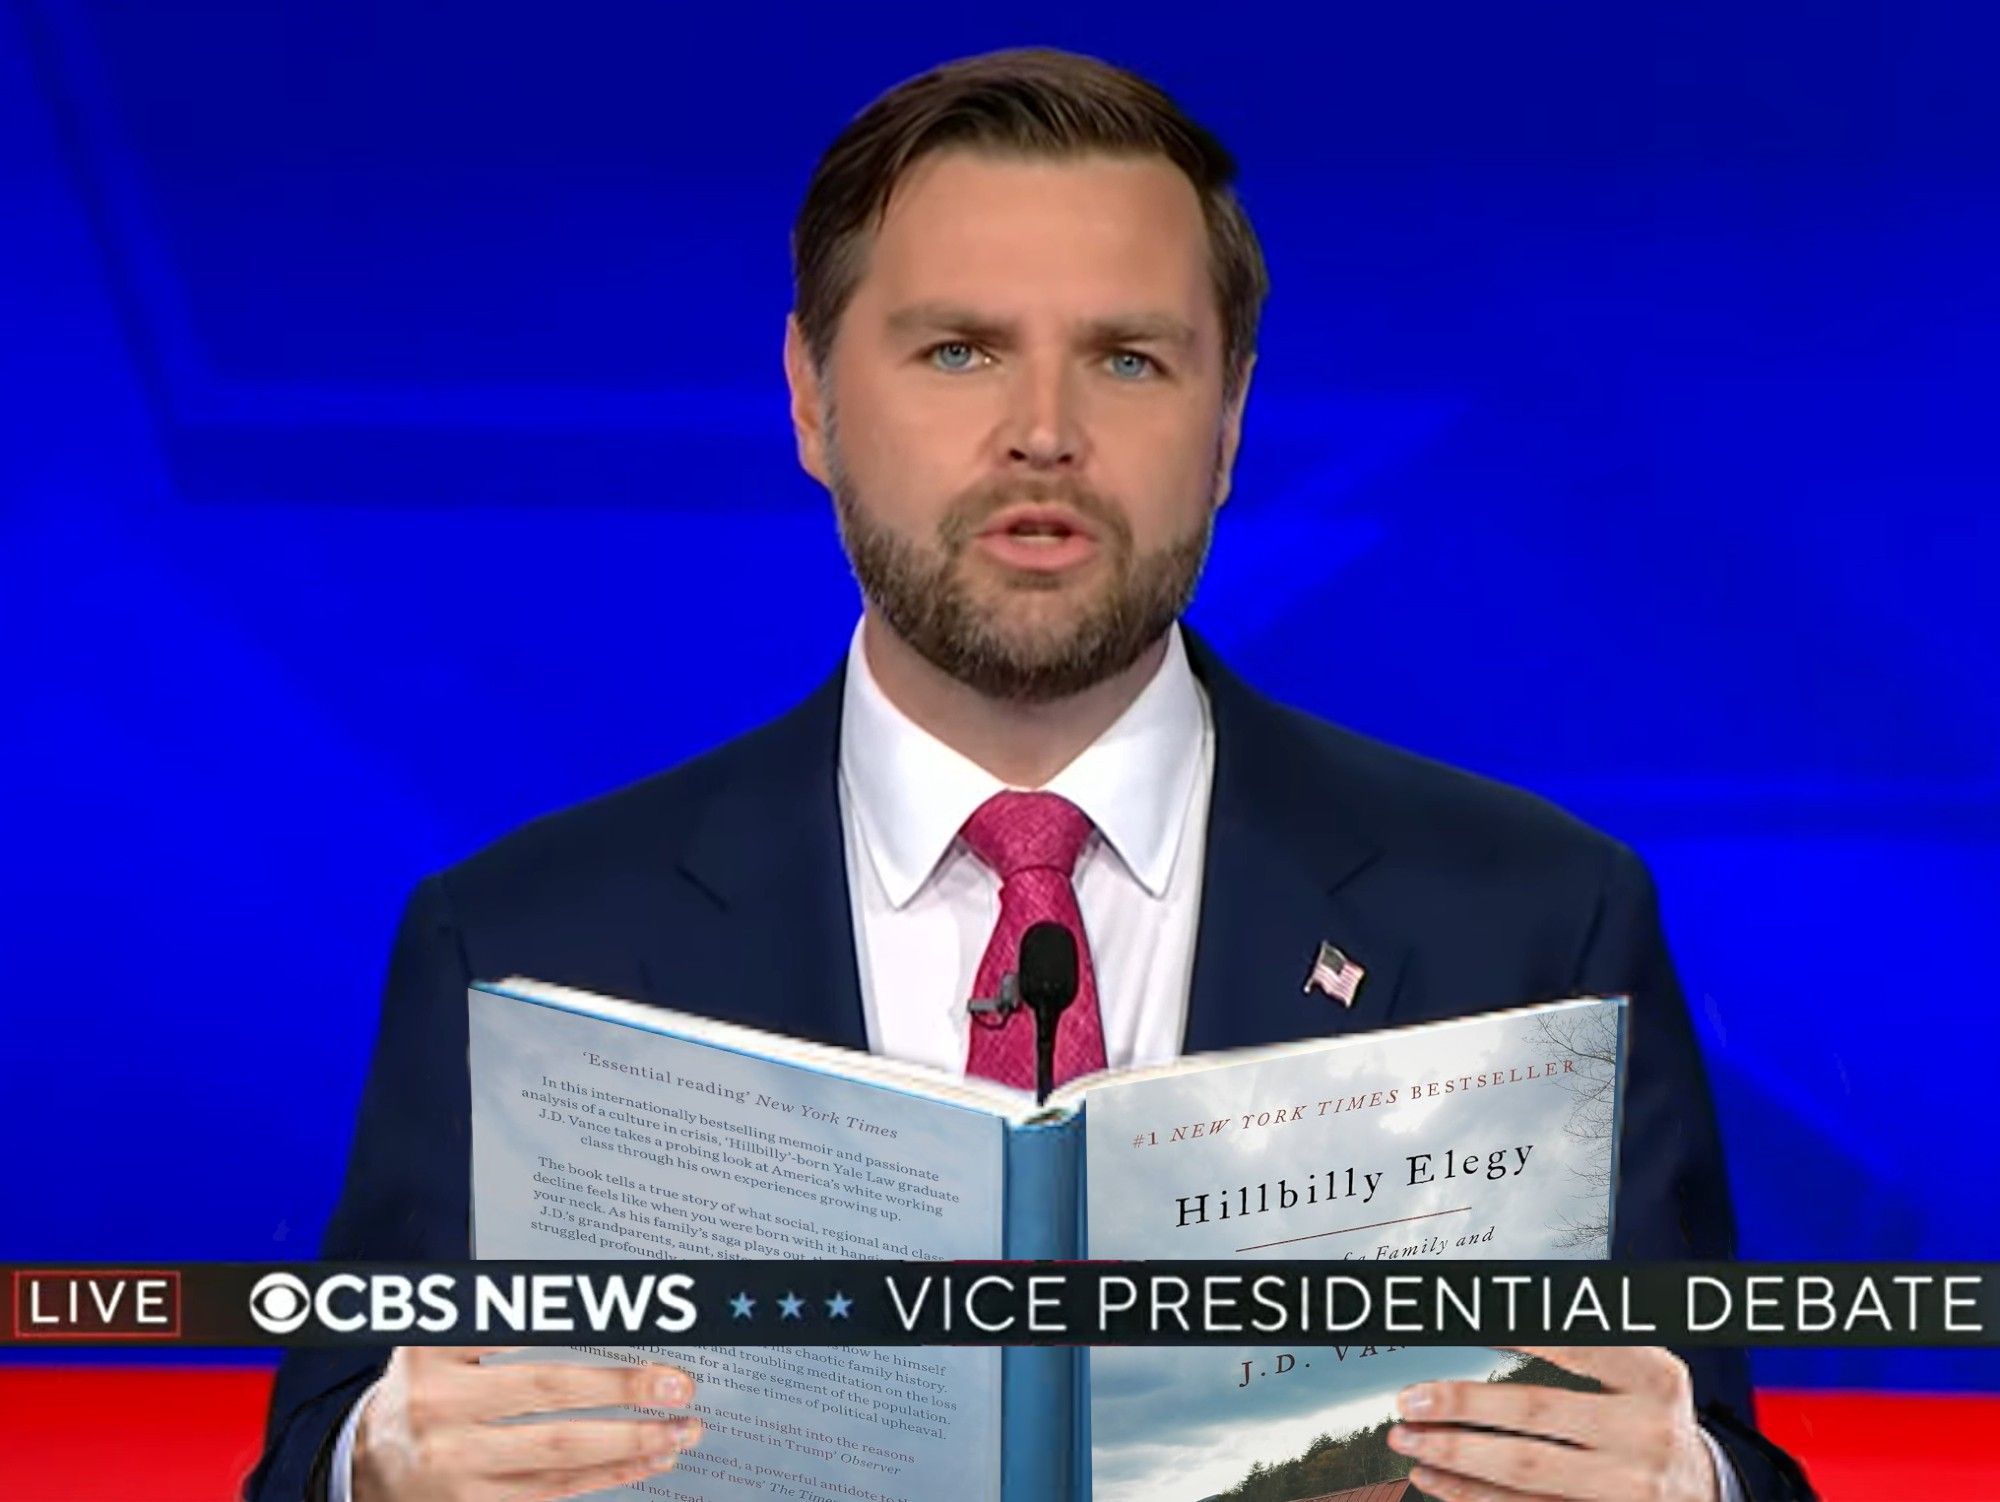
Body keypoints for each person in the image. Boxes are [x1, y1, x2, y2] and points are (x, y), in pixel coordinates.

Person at [247, 46, 1815, 1502]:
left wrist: (1684, 1482)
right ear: (809, 396)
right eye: (957, 350)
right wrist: (379, 1466)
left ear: (1231, 418)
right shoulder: (525, 942)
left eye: (1130, 359)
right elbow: (322, 1448)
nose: (1043, 433)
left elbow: (1717, 1440)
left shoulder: (1536, 921)